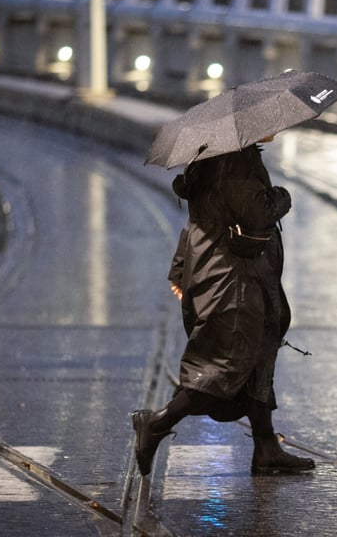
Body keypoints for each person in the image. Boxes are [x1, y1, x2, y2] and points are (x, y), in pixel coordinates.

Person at [132, 134, 315, 476]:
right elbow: (257, 213)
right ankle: (156, 424)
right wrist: (283, 197)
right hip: (234, 280)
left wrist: (180, 268)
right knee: (223, 366)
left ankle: (266, 447)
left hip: (236, 276)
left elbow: (198, 222)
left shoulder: (215, 156)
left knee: (257, 359)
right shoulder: (235, 160)